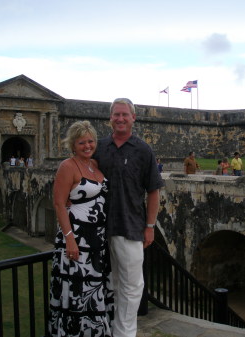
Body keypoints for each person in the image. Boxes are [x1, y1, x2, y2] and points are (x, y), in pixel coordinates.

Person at [93, 98, 163, 337]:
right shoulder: (99, 147)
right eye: (116, 115)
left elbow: (153, 190)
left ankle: (124, 333)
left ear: (133, 118)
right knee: (108, 284)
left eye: (125, 114)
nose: (120, 119)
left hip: (129, 225)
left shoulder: (143, 150)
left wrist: (150, 226)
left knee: (132, 286)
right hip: (98, 226)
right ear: (110, 118)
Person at [49, 120, 114, 337]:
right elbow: (59, 204)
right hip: (77, 239)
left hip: (96, 239)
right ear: (73, 145)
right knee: (79, 290)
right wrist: (69, 239)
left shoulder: (95, 165)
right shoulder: (67, 166)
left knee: (94, 289)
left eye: (90, 141)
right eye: (81, 143)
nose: (87, 146)